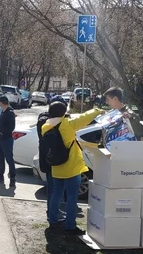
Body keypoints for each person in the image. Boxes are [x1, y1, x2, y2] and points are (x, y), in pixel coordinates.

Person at [41, 101, 101, 235]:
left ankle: (53, 220)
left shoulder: (45, 126)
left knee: (57, 194)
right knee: (72, 197)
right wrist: (97, 110)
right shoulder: (67, 124)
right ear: (63, 112)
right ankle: (70, 225)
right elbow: (84, 118)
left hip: (56, 167)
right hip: (72, 167)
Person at [37, 95, 66, 222]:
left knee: (54, 187)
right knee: (53, 187)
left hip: (50, 158)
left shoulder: (47, 120)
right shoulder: (46, 121)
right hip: (50, 159)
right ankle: (52, 212)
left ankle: (54, 210)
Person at [0, 95, 16, 188]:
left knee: (9, 159)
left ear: (1, 102)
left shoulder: (10, 112)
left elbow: (11, 127)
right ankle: (1, 176)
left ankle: (12, 178)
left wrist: (3, 133)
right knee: (0, 158)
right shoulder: (2, 111)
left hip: (6, 139)